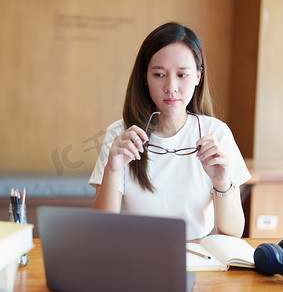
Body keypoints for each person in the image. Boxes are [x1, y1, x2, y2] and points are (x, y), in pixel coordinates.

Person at [89, 22, 251, 240]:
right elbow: (100, 230)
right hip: (136, 257)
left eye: (182, 75)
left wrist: (221, 181)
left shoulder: (216, 133)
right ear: (145, 77)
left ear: (198, 76)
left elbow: (233, 233)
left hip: (195, 260)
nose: (171, 87)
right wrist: (112, 168)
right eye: (159, 75)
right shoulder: (121, 135)